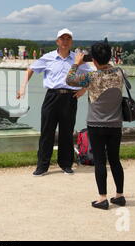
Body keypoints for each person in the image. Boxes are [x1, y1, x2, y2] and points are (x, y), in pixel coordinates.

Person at [17, 28, 92, 176]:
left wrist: (83, 90)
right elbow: (30, 69)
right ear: (57, 41)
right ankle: (42, 166)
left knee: (67, 132)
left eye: (68, 39)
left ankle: (66, 164)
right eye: (62, 39)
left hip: (70, 97)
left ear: (71, 42)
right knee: (47, 132)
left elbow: (90, 75)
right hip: (51, 97)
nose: (65, 41)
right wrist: (22, 88)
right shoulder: (48, 57)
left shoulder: (78, 59)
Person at [66, 40, 126, 210]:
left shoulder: (91, 76)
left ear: (94, 59)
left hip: (96, 123)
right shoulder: (120, 72)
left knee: (100, 161)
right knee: (115, 160)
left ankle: (102, 198)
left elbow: (69, 79)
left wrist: (76, 63)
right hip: (116, 123)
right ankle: (119, 195)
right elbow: (110, 67)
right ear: (110, 56)